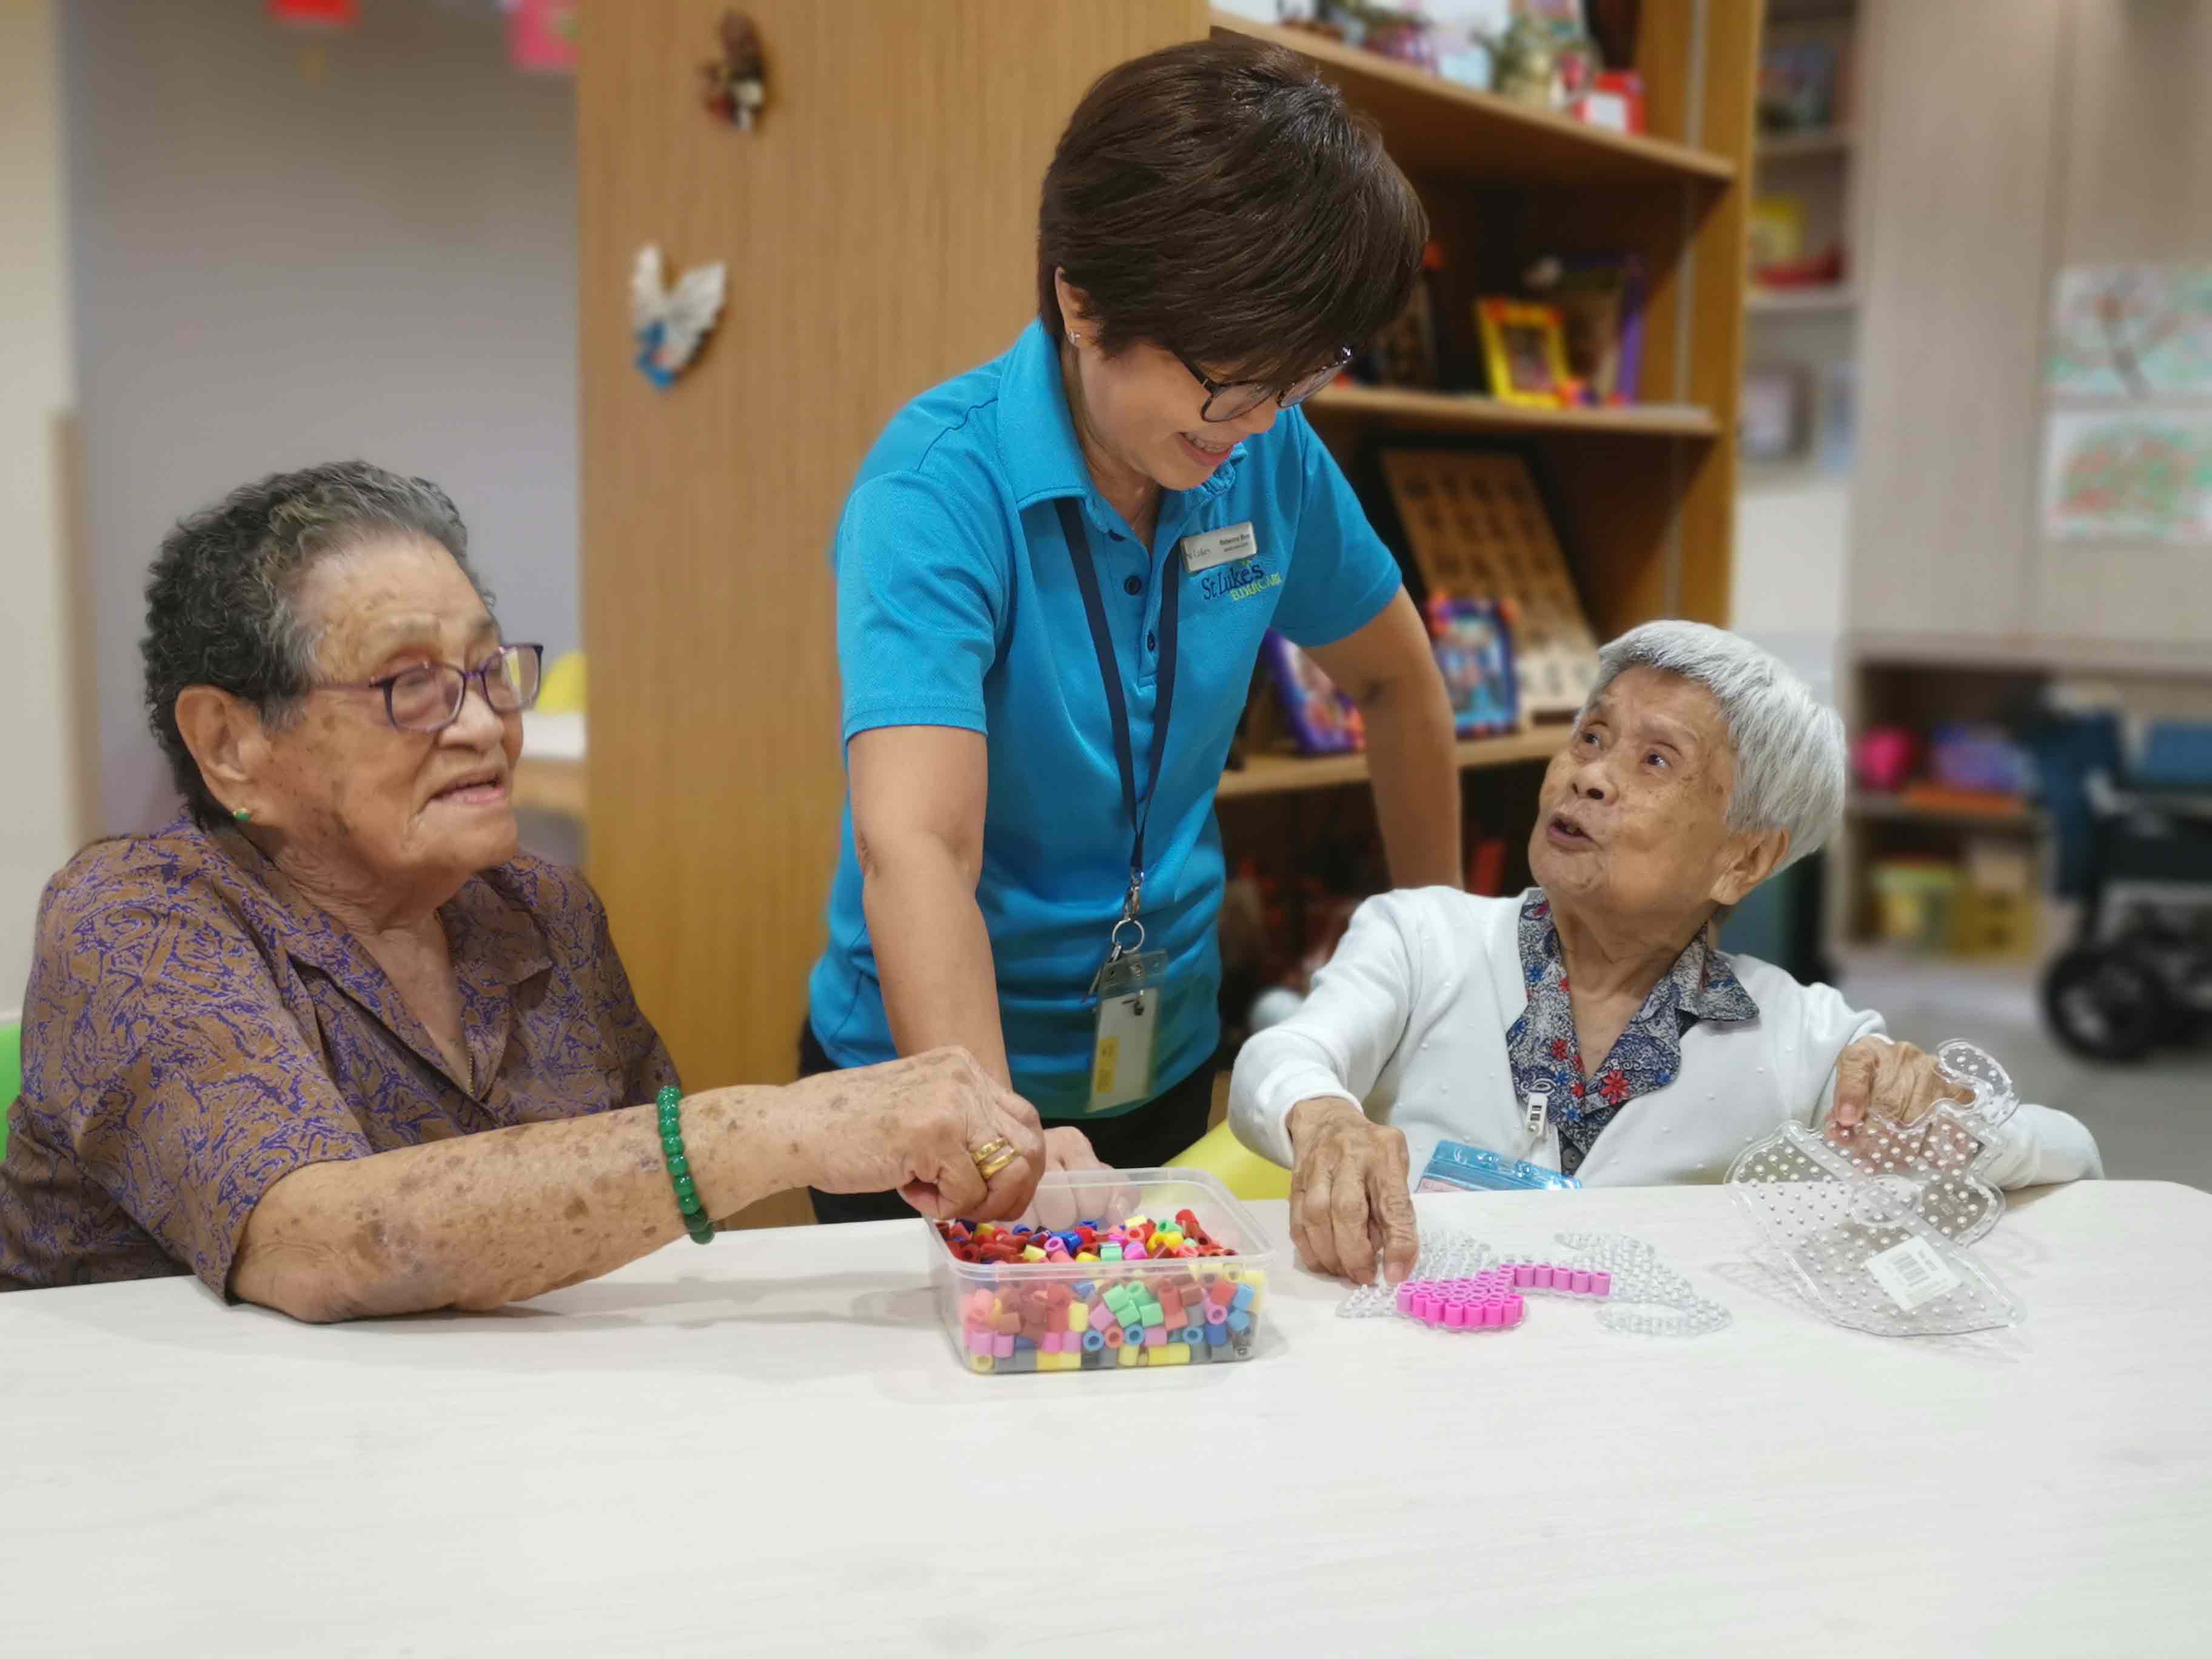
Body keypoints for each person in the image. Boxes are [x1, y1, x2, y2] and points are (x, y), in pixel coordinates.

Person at [0, 464, 1046, 1315]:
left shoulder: (541, 909)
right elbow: (319, 1243)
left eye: (492, 669)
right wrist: (793, 1126)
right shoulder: (136, 921)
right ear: (229, 744)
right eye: (410, 684)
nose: (482, 723)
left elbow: (643, 1248)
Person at [803, 38, 1463, 1220]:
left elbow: (1400, 686)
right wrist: (993, 1142)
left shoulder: (1267, 462)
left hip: (1162, 1054)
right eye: (1227, 384)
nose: (1257, 425)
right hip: (930, 1089)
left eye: (1297, 385)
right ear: (1079, 296)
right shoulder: (937, 489)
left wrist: (1442, 980)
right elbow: (920, 848)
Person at [1229, 622, 2103, 1284]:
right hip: (1408, 1341)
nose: (1590, 775)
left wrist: (1934, 1111)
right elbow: (1284, 1055)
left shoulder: (1799, 1034)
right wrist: (1328, 1117)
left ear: (1745, 858)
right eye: (1593, 736)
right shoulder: (1425, 937)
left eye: (1655, 761)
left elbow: (2068, 1153)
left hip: (1644, 1404)